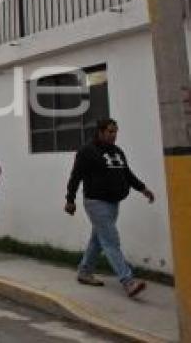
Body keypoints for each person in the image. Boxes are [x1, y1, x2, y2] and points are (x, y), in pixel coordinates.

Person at [65, 118, 153, 297]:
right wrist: (70, 199)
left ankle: (84, 271)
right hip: (96, 202)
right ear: (100, 131)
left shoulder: (117, 151)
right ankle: (128, 282)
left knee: (98, 240)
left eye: (116, 131)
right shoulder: (87, 151)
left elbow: (127, 174)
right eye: (110, 131)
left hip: (114, 202)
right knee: (111, 241)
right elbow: (76, 176)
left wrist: (143, 188)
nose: (114, 135)